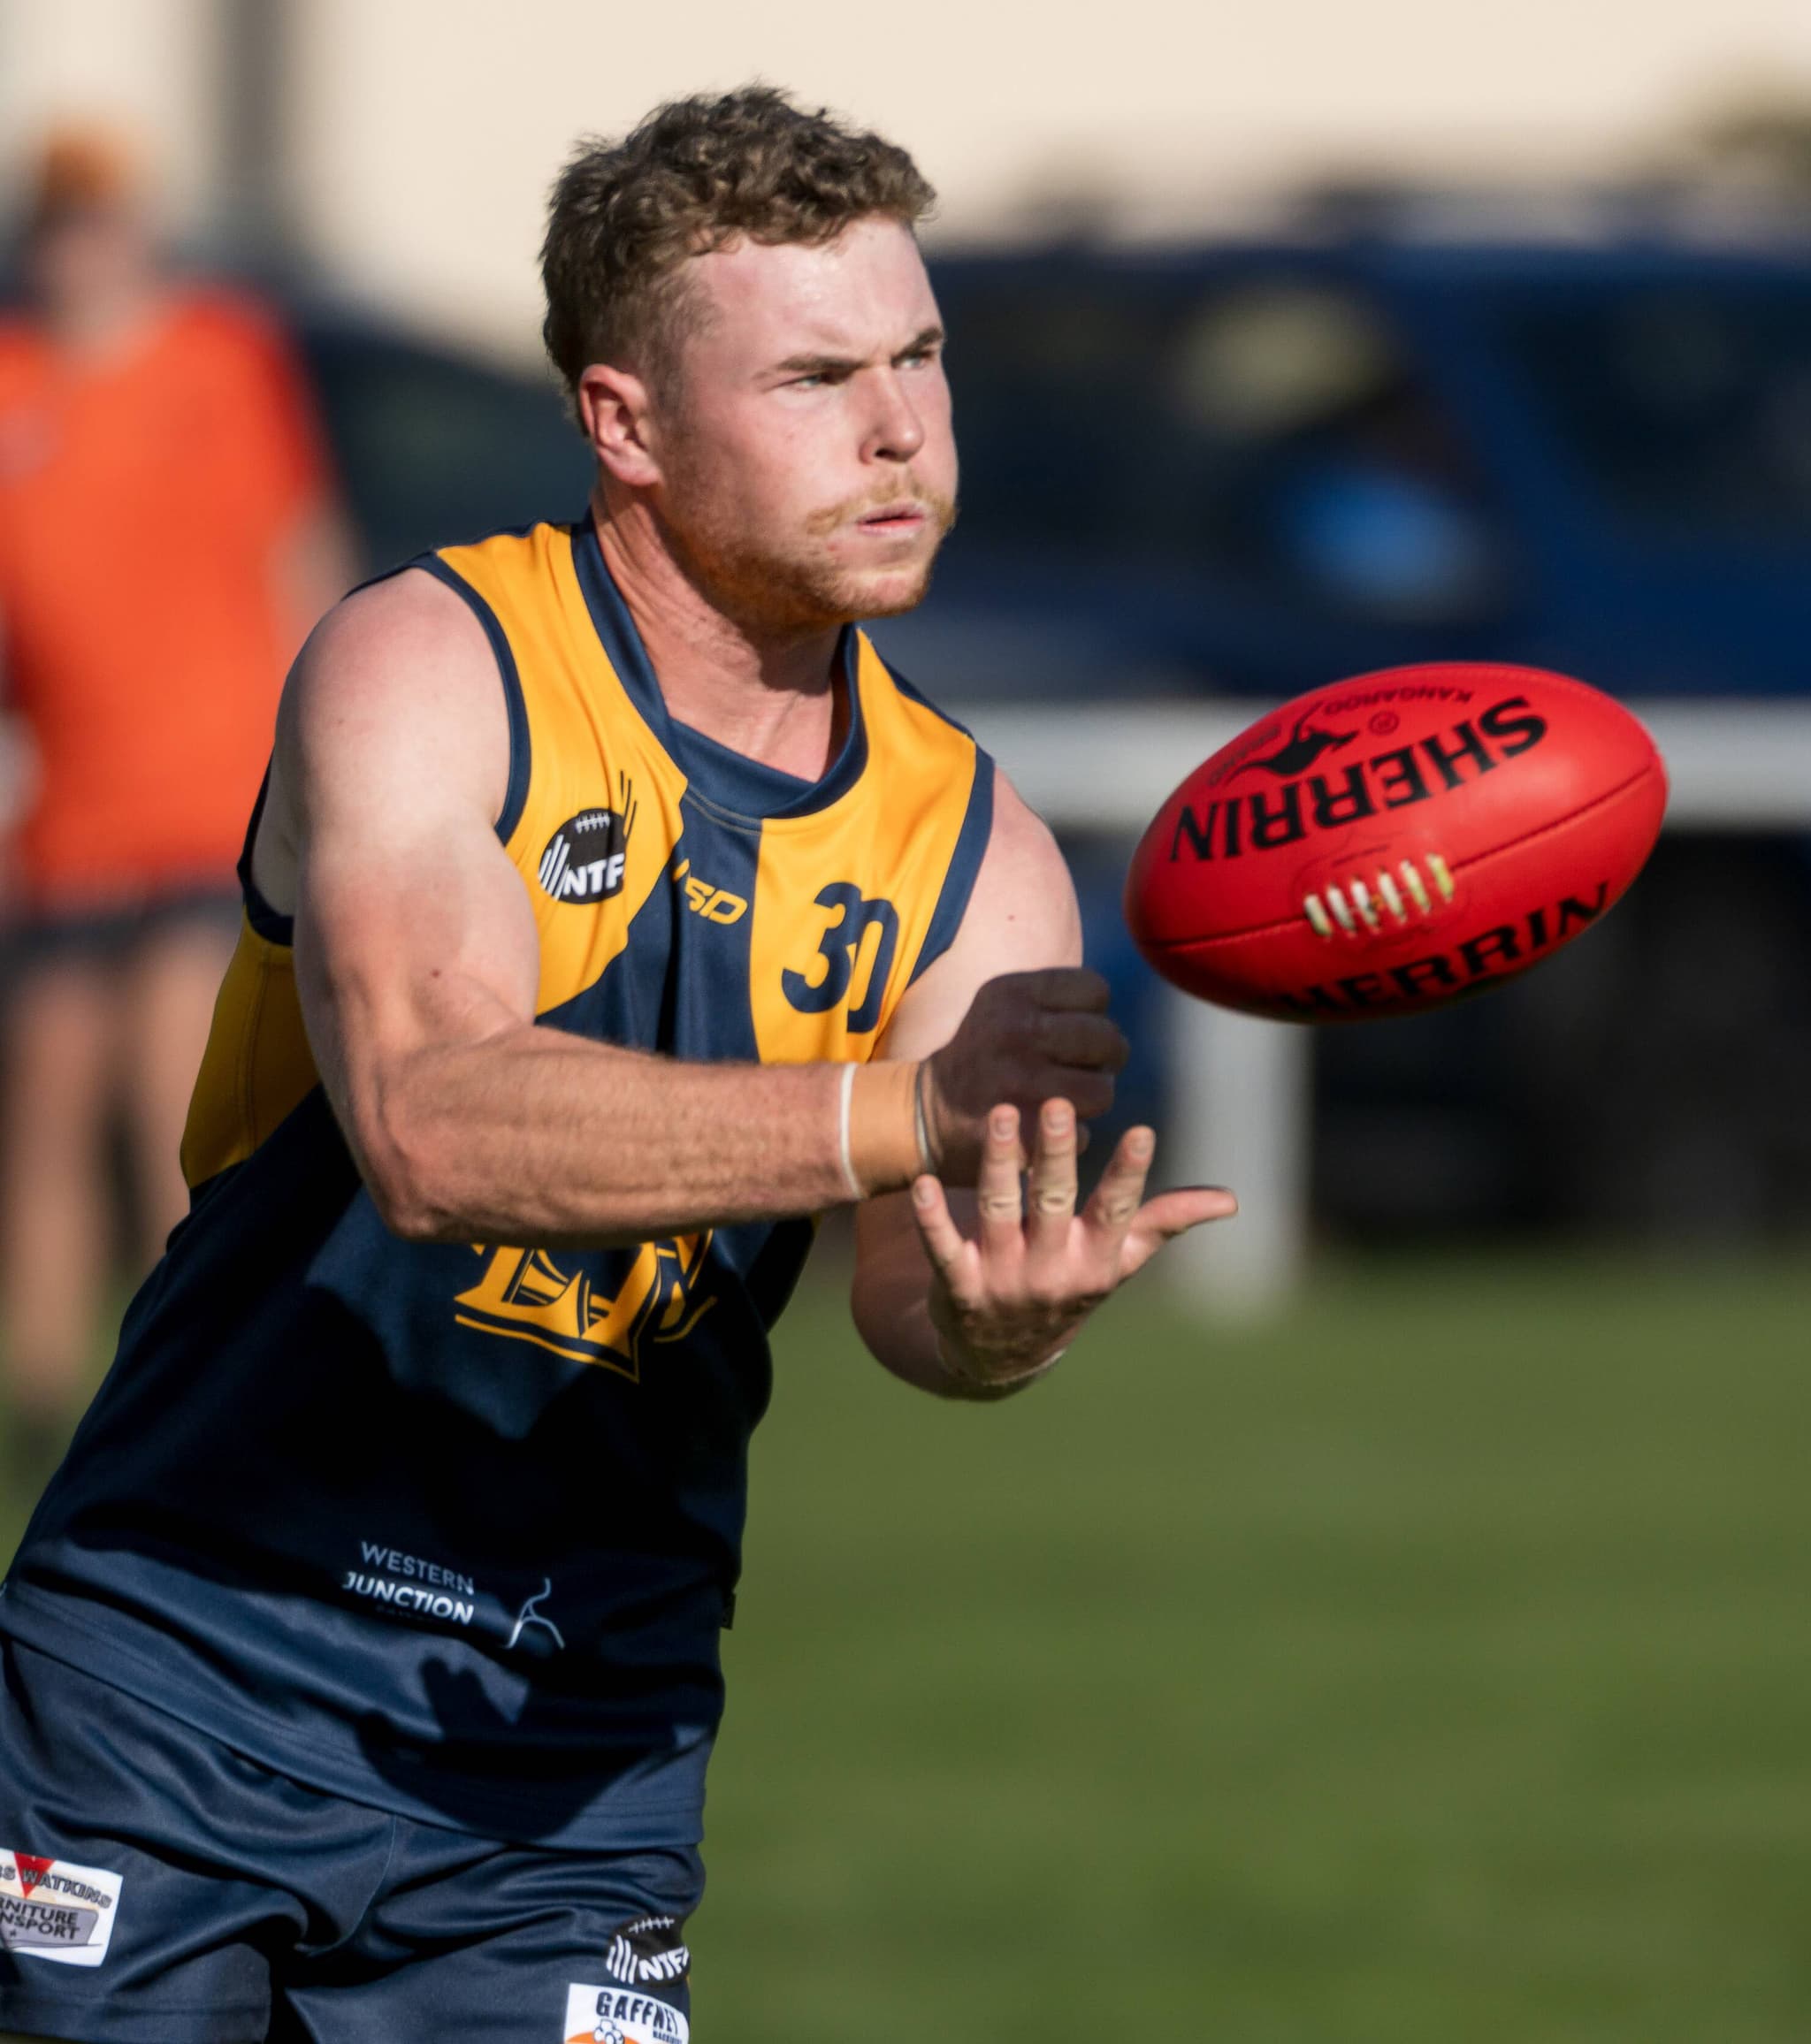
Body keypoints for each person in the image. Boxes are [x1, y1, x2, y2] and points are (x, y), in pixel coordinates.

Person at [0, 87, 1234, 2040]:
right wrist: (903, 1110)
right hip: (193, 1663)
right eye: (819, 375)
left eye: (918, 356)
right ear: (625, 425)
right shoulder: (435, 666)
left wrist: (1004, 1315)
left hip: (572, 1740)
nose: (902, 426)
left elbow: (917, 1296)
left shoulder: (972, 848)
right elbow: (430, 1122)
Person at [0, 125, 347, 1492]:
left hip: (212, 798)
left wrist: (324, 767)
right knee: (45, 1103)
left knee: (170, 1094)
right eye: (59, 224)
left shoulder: (220, 359)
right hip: (68, 815)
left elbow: (298, 555)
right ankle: (40, 1396)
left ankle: (181, 1368)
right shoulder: (16, 383)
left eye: (101, 222)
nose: (81, 248)